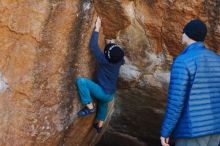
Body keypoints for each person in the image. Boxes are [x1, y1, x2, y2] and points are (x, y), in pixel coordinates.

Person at [160, 19, 220, 146]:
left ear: (188, 35)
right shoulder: (217, 60)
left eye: (183, 32)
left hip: (192, 131)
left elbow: (176, 102)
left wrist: (166, 131)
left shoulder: (183, 61)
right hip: (216, 129)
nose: (181, 34)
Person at [76, 17, 124, 133]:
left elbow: (93, 47)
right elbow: (112, 51)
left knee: (81, 82)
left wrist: (97, 29)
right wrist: (110, 41)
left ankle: (90, 107)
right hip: (110, 93)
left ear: (106, 57)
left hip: (102, 92)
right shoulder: (119, 61)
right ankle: (100, 125)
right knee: (103, 105)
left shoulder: (104, 60)